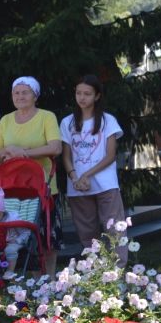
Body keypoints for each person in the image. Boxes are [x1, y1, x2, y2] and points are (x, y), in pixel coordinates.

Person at [0, 76, 62, 274]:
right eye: (16, 92)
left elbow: (55, 148)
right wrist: (8, 150)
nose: (20, 96)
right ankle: (18, 278)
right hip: (12, 189)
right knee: (12, 235)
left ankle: (48, 281)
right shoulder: (6, 120)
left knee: (48, 237)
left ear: (35, 96)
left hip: (42, 187)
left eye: (25, 92)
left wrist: (24, 152)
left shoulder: (46, 117)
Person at [60, 74, 128, 266]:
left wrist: (87, 174)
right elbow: (66, 156)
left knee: (115, 230)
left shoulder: (108, 120)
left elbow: (110, 155)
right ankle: (95, 276)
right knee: (87, 234)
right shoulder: (67, 122)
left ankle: (119, 275)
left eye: (87, 94)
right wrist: (74, 177)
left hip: (105, 185)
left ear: (97, 96)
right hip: (78, 187)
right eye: (78, 93)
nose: (82, 98)